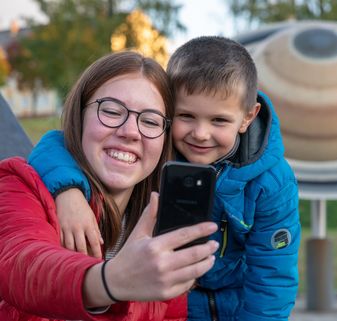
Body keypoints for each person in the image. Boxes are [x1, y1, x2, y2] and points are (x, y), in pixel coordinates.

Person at [28, 36, 301, 321]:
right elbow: (55, 145)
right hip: (168, 303)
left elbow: (272, 276)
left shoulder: (272, 182)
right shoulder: (156, 146)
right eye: (186, 116)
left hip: (236, 304)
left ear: (247, 117)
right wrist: (68, 191)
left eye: (218, 120)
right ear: (167, 110)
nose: (200, 133)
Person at [0, 50, 219, 321]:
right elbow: (22, 265)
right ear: (79, 116)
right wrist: (112, 280)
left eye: (150, 121)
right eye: (111, 111)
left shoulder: (164, 221)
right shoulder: (20, 184)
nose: (129, 131)